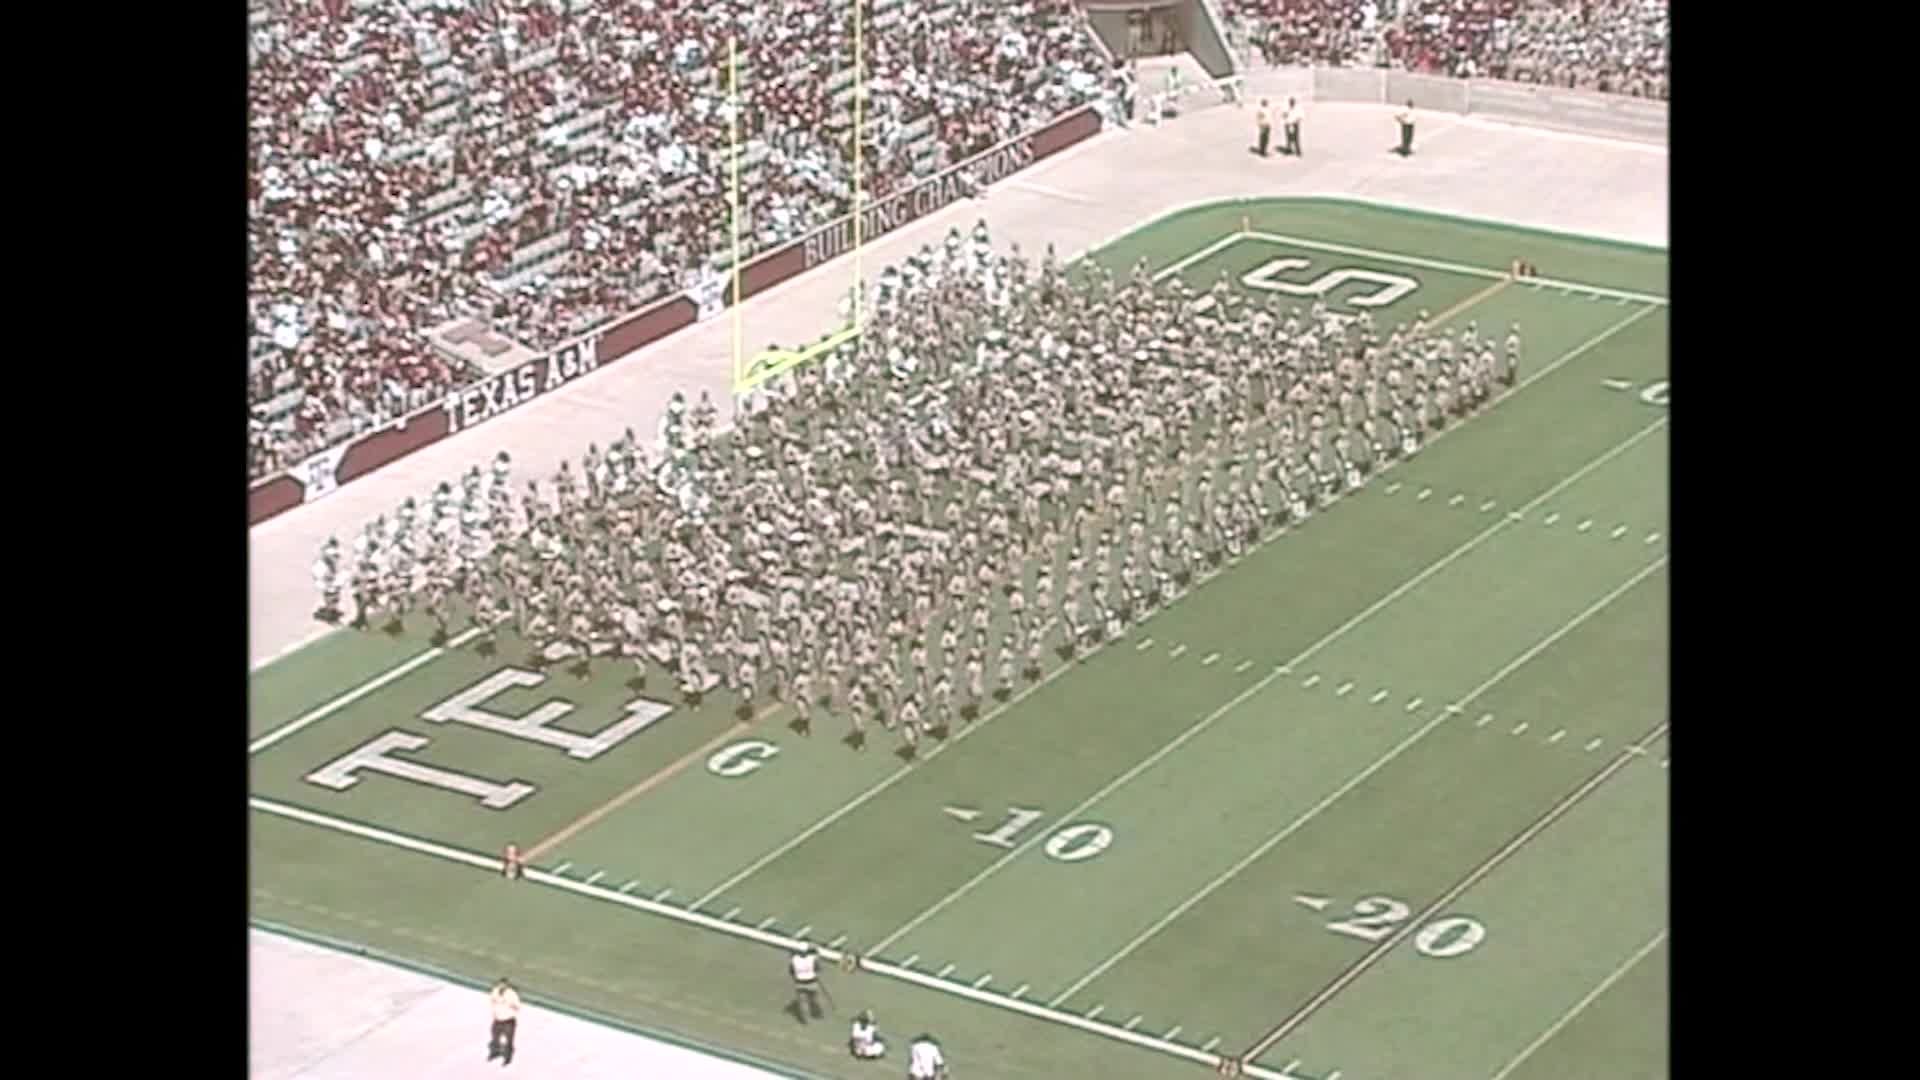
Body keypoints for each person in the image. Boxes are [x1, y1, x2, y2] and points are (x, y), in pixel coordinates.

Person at [487, 977, 521, 1066]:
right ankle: (494, 1052)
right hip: (497, 1019)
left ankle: (507, 1057)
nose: (502, 986)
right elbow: (492, 1001)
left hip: (508, 1021)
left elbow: (517, 1006)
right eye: (500, 984)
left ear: (506, 985)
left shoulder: (512, 994)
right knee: (495, 1037)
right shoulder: (495, 991)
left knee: (509, 1040)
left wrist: (509, 1004)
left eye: (504, 984)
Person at [790, 944, 825, 1021]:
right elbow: (818, 968)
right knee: (815, 998)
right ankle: (818, 1013)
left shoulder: (794, 959)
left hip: (800, 982)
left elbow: (791, 971)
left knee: (803, 1001)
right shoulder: (812, 958)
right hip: (811, 981)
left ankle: (805, 1018)